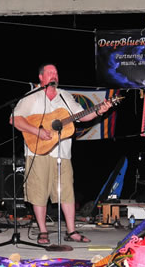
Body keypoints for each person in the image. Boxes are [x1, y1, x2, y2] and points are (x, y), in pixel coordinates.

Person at [13, 63, 112, 245]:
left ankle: (71, 231)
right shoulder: (32, 97)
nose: (54, 76)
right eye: (50, 73)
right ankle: (43, 231)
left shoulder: (65, 96)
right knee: (39, 192)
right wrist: (37, 131)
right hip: (38, 150)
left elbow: (82, 116)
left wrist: (98, 110)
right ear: (41, 77)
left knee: (67, 192)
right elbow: (15, 119)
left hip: (62, 152)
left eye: (56, 73)